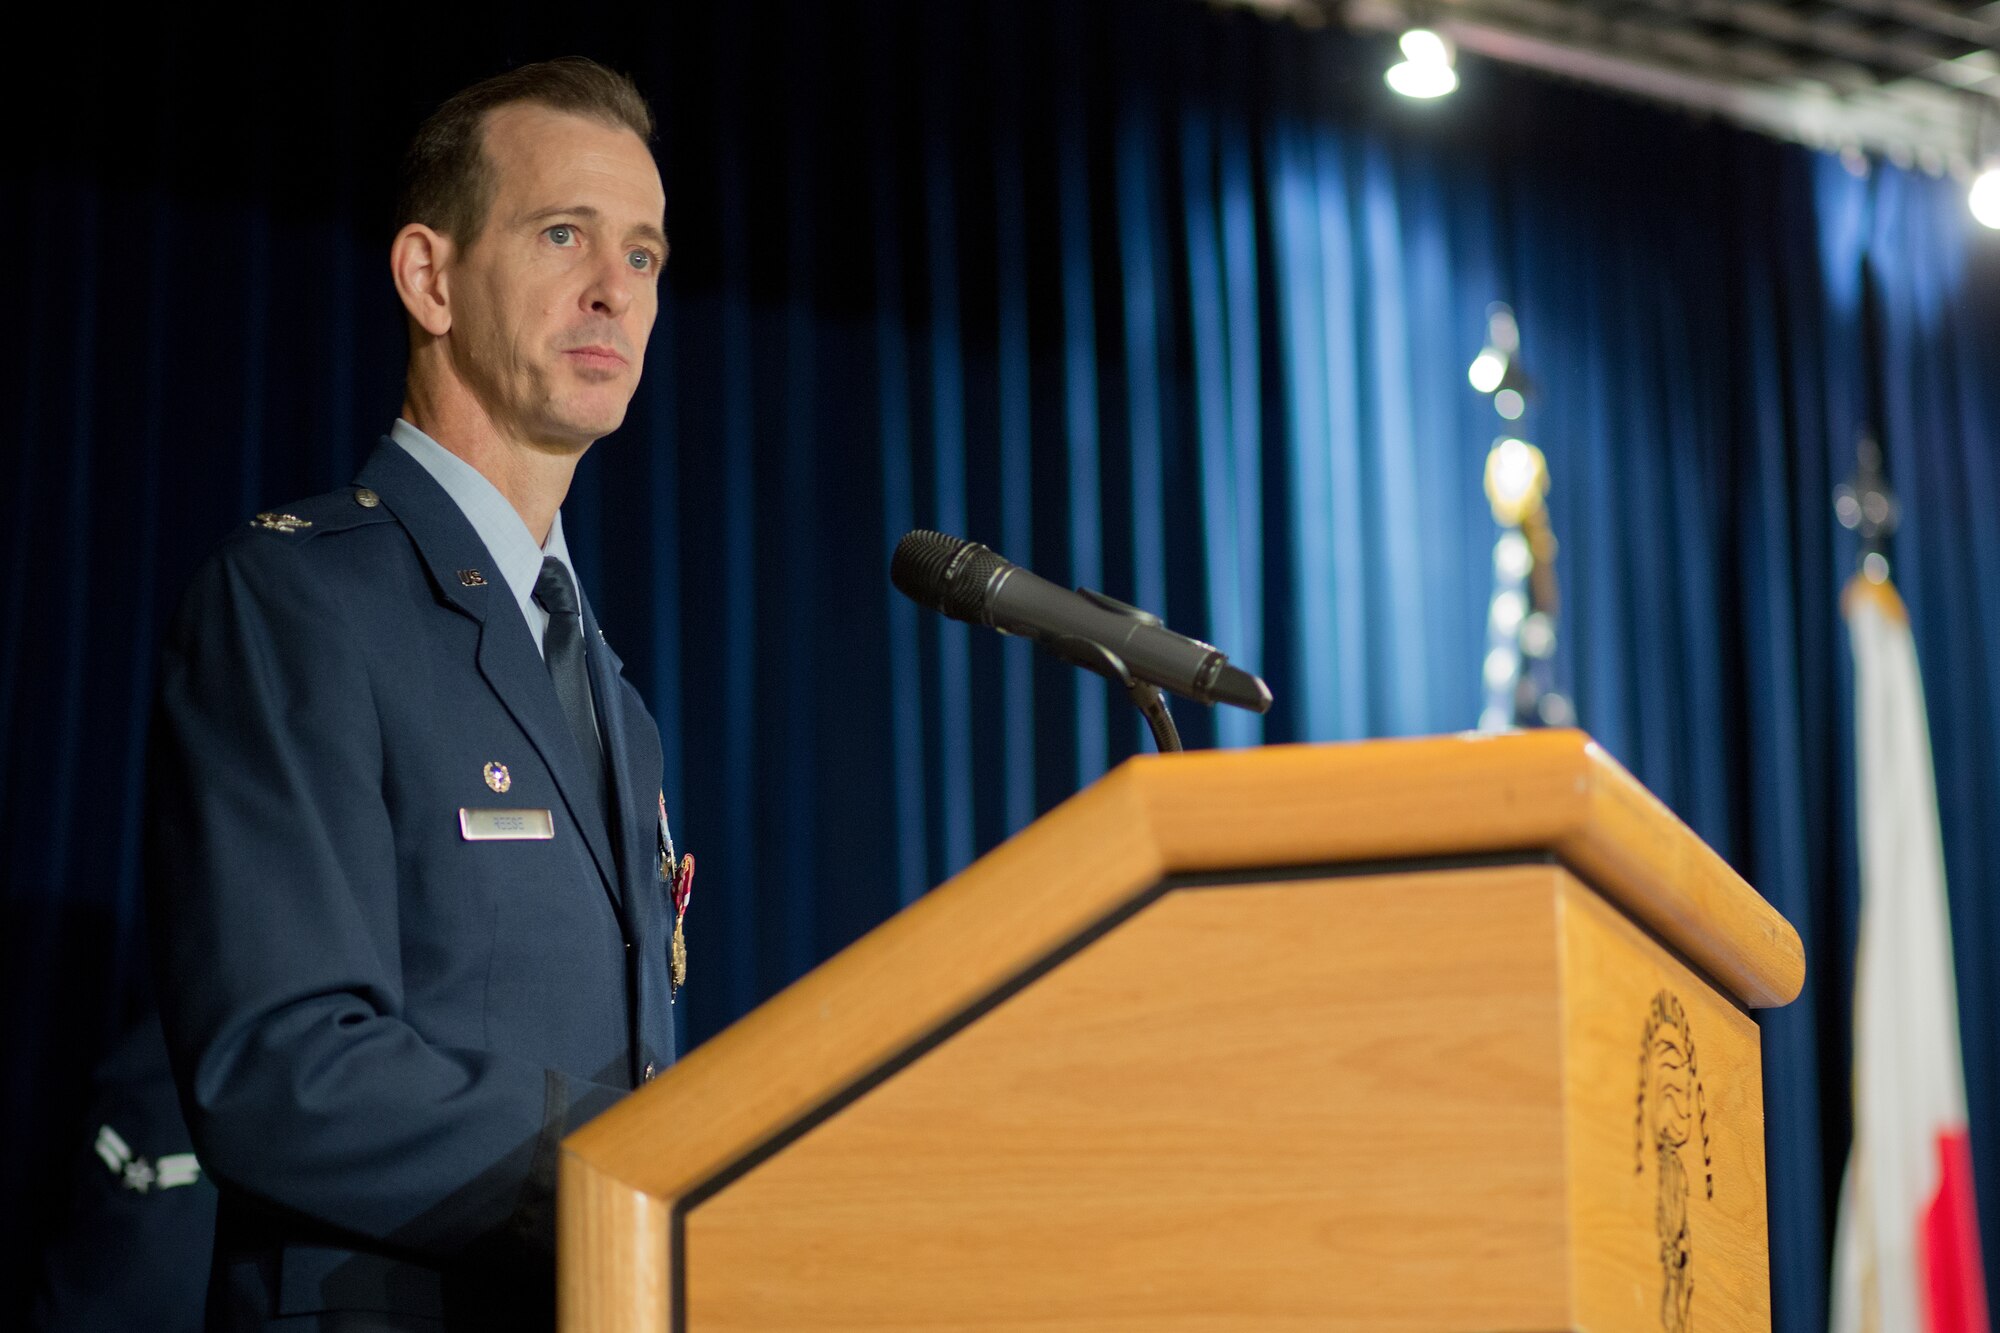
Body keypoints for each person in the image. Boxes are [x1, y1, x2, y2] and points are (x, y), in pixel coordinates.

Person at [146, 58, 678, 1331]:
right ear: (428, 278)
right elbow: (280, 1064)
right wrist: (646, 1168)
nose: (616, 288)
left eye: (646, 255)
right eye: (565, 234)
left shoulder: (619, 702)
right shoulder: (299, 601)